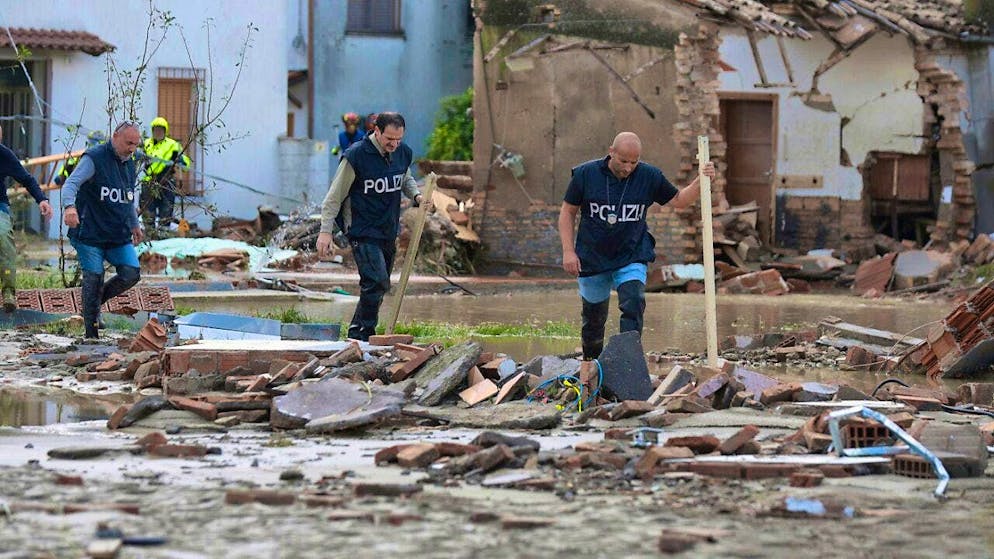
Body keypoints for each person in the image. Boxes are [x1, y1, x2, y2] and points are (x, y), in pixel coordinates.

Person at [558, 132, 716, 365]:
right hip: (592, 255)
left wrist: (701, 180)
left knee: (633, 302)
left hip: (631, 254)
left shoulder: (649, 176)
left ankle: (627, 363)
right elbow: (567, 212)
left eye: (634, 162)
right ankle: (591, 367)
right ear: (611, 151)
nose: (629, 167)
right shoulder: (585, 174)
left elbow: (680, 201)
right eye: (623, 161)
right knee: (593, 319)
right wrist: (568, 252)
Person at [316, 112, 430, 341]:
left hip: (387, 228)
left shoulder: (402, 153)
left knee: (378, 285)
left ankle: (359, 334)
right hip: (361, 228)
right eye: (390, 139)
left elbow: (404, 178)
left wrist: (417, 196)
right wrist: (325, 232)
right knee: (376, 281)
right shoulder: (356, 156)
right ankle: (362, 334)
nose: (394, 144)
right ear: (376, 131)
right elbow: (333, 197)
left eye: (398, 139)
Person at [62, 121, 144, 339]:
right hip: (89, 233)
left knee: (131, 273)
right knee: (94, 276)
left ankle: (94, 304)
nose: (131, 149)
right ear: (115, 136)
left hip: (117, 234)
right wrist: (69, 207)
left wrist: (134, 223)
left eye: (135, 145)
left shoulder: (129, 164)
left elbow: (128, 198)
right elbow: (70, 184)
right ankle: (91, 334)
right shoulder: (94, 158)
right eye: (128, 143)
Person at [0, 127, 54, 311]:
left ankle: (8, 292)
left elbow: (27, 179)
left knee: (3, 237)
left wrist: (42, 200)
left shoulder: (4, 155)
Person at [139, 116, 190, 230]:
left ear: (165, 131)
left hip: (166, 183)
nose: (158, 132)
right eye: (155, 130)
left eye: (160, 130)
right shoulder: (146, 143)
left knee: (166, 213)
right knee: (148, 214)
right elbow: (136, 160)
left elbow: (186, 165)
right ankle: (149, 235)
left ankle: (163, 236)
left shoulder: (173, 145)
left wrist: (182, 161)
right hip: (149, 182)